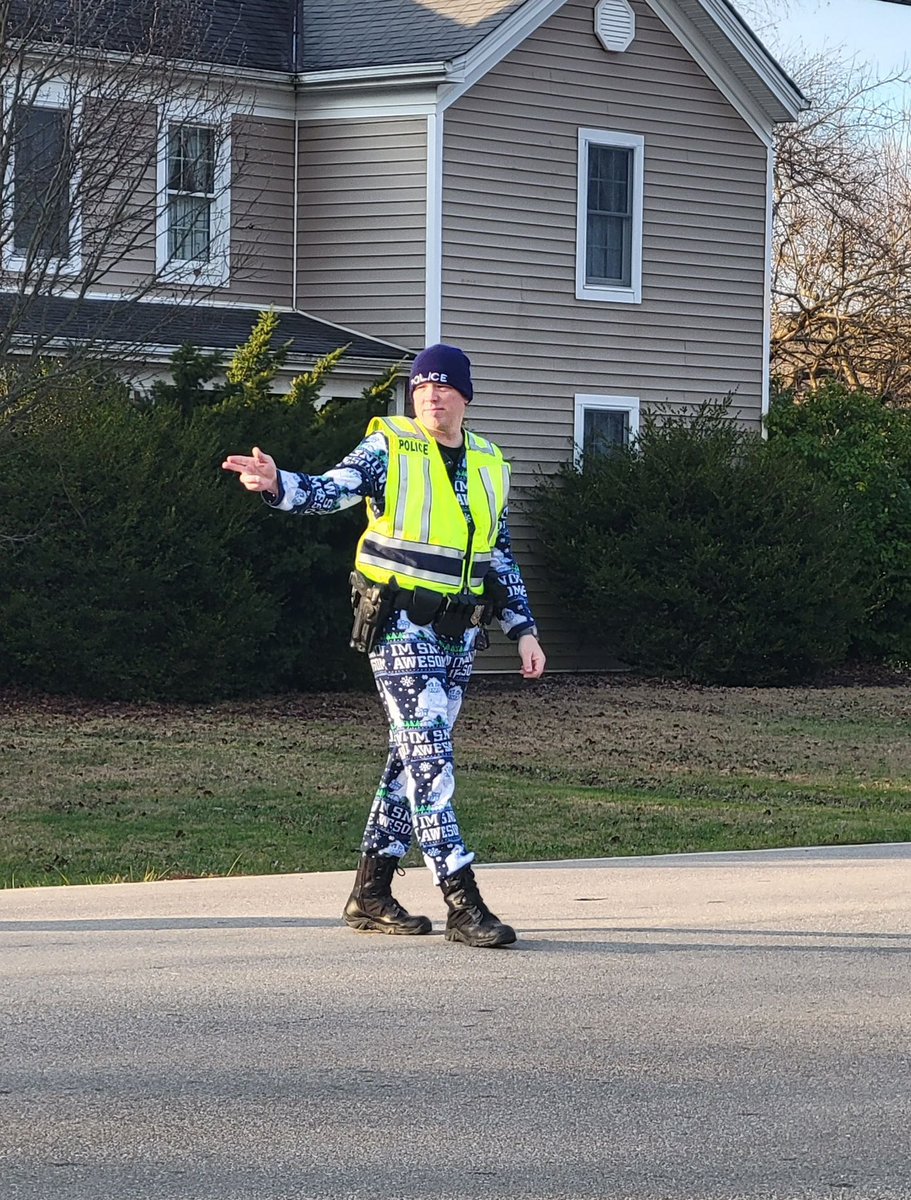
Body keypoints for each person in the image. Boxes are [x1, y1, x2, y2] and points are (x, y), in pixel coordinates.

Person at [222, 343, 545, 948]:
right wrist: (276, 484)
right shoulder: (389, 447)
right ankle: (461, 899)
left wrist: (522, 629)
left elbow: (497, 557)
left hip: (458, 638)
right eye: (422, 387)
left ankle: (369, 894)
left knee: (408, 759)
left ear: (465, 396)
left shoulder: (489, 463)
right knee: (430, 760)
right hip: (398, 628)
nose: (432, 396)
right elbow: (328, 490)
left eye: (444, 387)